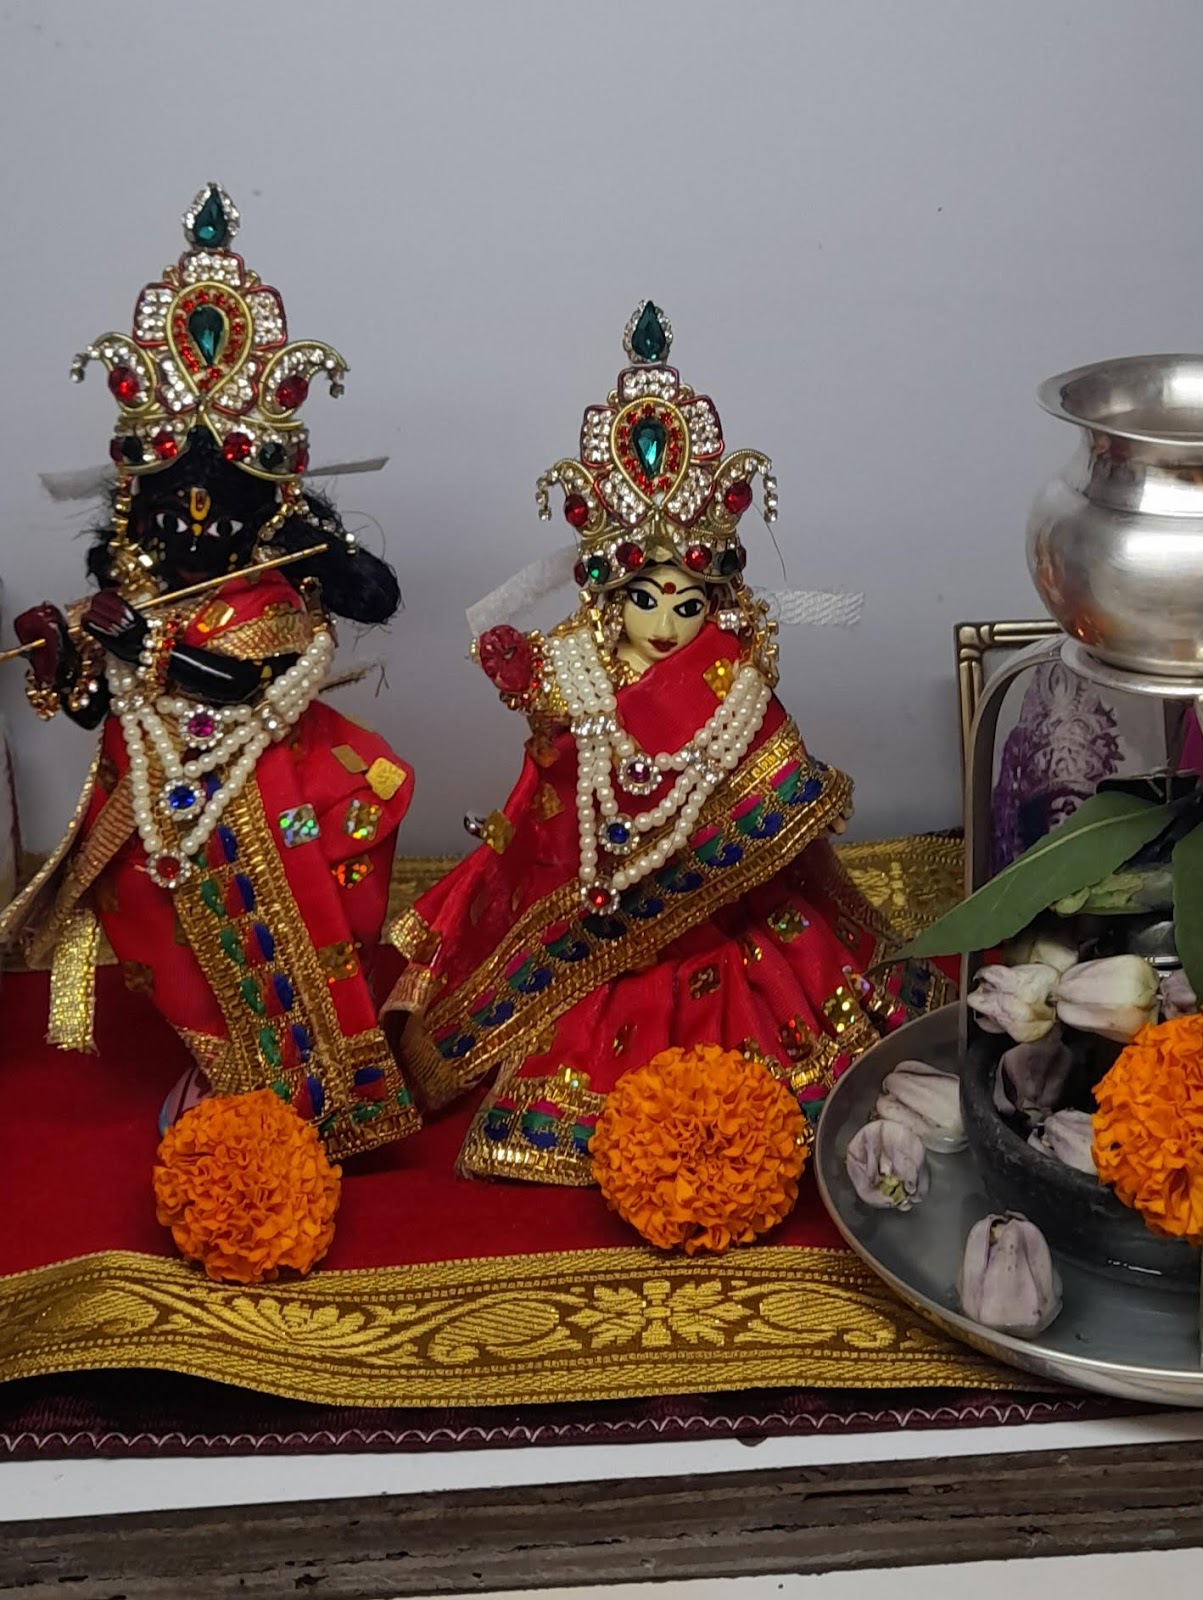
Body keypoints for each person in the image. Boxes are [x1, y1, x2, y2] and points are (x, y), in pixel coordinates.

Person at [388, 304, 940, 1183]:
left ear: (711, 601)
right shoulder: (578, 668)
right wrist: (533, 701)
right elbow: (553, 792)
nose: (666, 625)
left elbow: (767, 787)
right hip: (600, 912)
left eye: (687, 604)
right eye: (646, 600)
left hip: (727, 914)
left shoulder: (731, 677)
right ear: (613, 599)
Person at [0, 186, 418, 1160]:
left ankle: (312, 1089)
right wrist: (63, 652)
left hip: (269, 791)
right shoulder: (138, 593)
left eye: (220, 510)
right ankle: (227, 1066)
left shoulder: (269, 598)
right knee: (170, 937)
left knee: (297, 921)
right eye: (173, 511)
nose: (196, 530)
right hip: (154, 812)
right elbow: (100, 706)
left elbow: (236, 687)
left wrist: (140, 647)